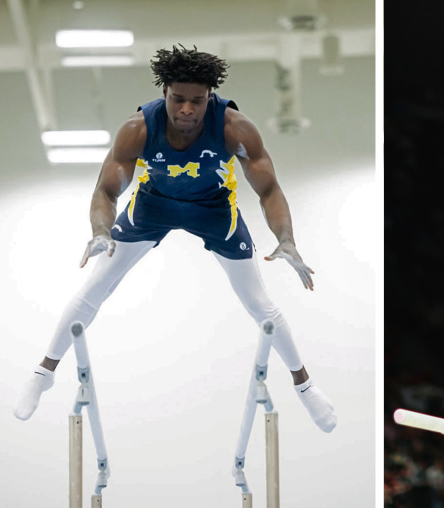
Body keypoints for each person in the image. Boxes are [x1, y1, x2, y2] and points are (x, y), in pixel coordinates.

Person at [13, 45, 337, 433]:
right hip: (153, 206)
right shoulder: (139, 129)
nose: (186, 110)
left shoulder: (235, 128)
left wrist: (286, 239)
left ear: (210, 98)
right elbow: (106, 191)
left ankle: (305, 386)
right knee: (96, 286)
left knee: (259, 304)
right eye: (177, 99)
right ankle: (43, 372)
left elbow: (268, 190)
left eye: (197, 102)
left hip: (215, 210)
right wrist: (101, 231)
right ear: (164, 91)